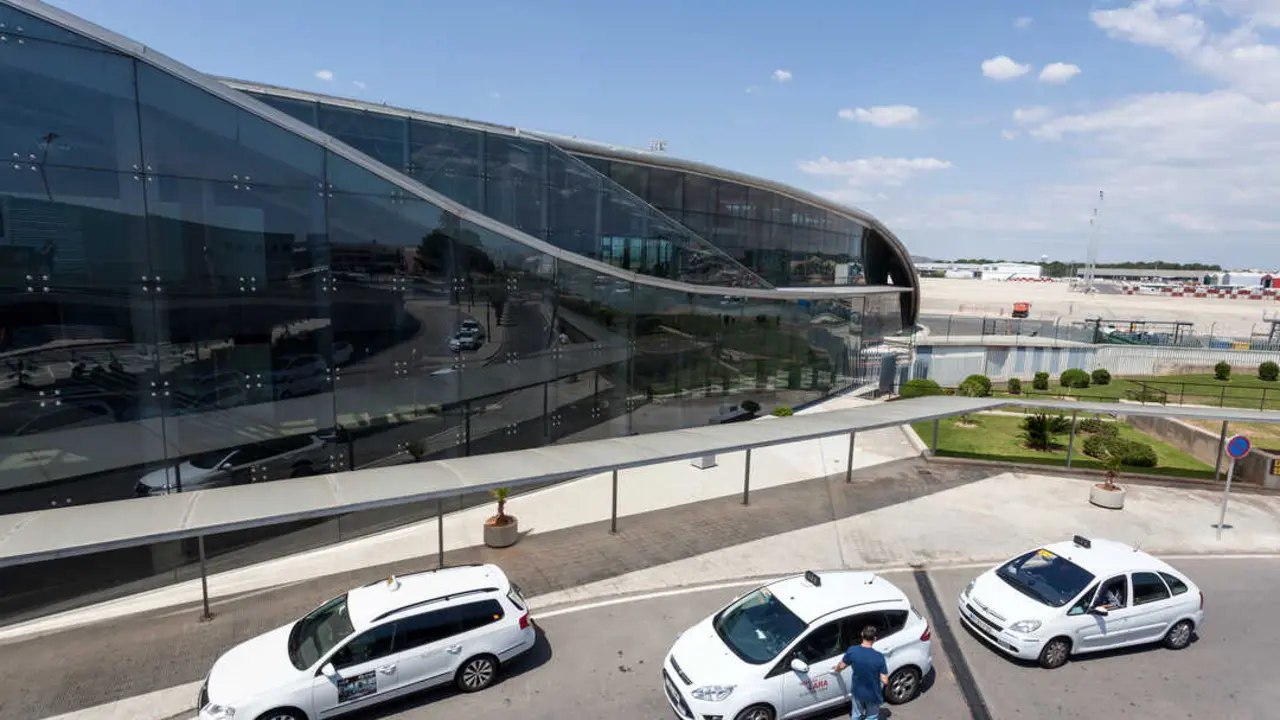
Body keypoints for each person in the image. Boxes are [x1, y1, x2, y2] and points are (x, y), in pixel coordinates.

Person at [833, 625, 888, 720]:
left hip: (857, 692)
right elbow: (885, 681)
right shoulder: (879, 657)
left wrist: (836, 670)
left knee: (856, 714)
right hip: (873, 694)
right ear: (874, 639)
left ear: (862, 635)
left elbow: (841, 666)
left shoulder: (852, 651)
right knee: (872, 716)